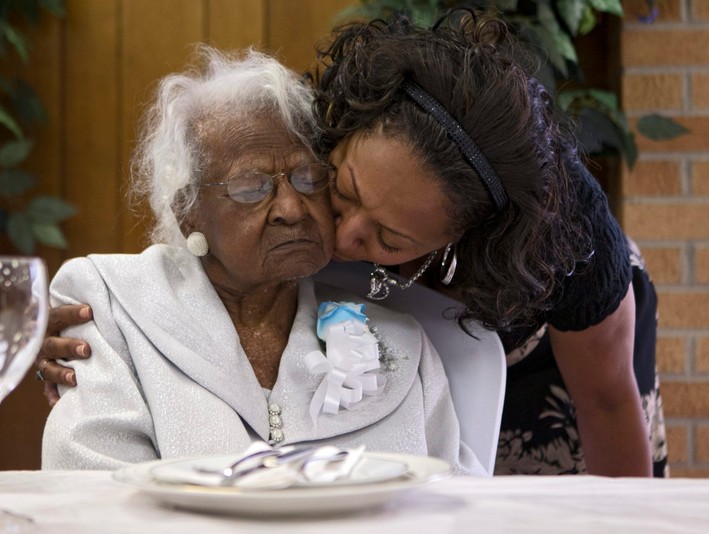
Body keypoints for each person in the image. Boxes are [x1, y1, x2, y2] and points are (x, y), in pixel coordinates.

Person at [38, 11, 666, 477]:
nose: (335, 232)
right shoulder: (319, 126)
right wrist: (112, 322)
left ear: (454, 238)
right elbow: (199, 199)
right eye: (340, 186)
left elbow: (610, 405)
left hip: (551, 350)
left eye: (387, 235)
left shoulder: (566, 247)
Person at [41, 46, 484, 476]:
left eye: (308, 177)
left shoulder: (401, 342)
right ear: (188, 210)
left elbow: (450, 500)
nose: (291, 208)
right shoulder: (112, 305)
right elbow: (90, 491)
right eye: (251, 187)